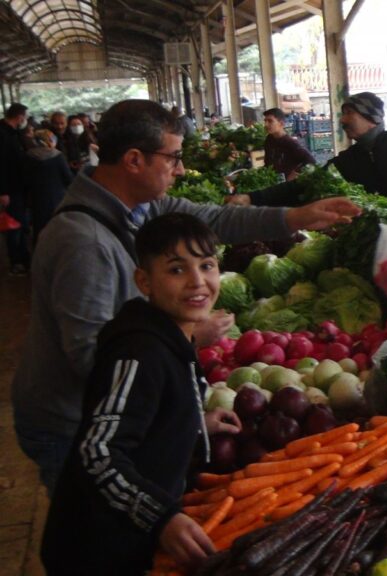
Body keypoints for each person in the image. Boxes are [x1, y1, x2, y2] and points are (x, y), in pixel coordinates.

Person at [12, 99, 361, 493]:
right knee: (95, 524)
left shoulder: (138, 207)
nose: (179, 169)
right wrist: (186, 336)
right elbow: (91, 357)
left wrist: (295, 217)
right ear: (133, 160)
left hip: (111, 415)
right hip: (75, 425)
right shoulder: (83, 242)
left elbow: (213, 219)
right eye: (173, 157)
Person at [41, 213, 241, 574]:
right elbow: (98, 453)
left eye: (207, 265)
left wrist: (193, 422)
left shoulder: (174, 337)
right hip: (98, 551)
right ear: (144, 281)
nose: (198, 281)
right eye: (177, 269)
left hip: (132, 538)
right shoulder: (140, 353)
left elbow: (147, 414)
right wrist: (160, 518)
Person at [228, 91, 387, 207]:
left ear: (372, 118)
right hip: (385, 242)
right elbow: (304, 185)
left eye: (349, 113)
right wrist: (252, 198)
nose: (342, 120)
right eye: (342, 114)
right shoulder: (348, 160)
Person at [24, 128, 74, 242]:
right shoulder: (57, 156)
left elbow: (25, 178)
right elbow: (68, 178)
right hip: (58, 196)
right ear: (49, 140)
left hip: (37, 197)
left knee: (39, 224)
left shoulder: (29, 156)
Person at [1, 103, 30, 275]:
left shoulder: (13, 133)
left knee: (21, 224)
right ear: (19, 117)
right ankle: (17, 262)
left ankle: (23, 258)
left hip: (18, 187)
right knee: (13, 225)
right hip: (10, 190)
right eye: (24, 117)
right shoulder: (3, 134)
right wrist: (3, 191)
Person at [262, 107, 315, 181]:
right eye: (265, 121)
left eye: (270, 121)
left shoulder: (290, 142)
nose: (266, 124)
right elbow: (267, 161)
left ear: (281, 124)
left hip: (286, 184)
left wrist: (296, 172)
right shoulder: (269, 139)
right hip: (272, 180)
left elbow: (310, 160)